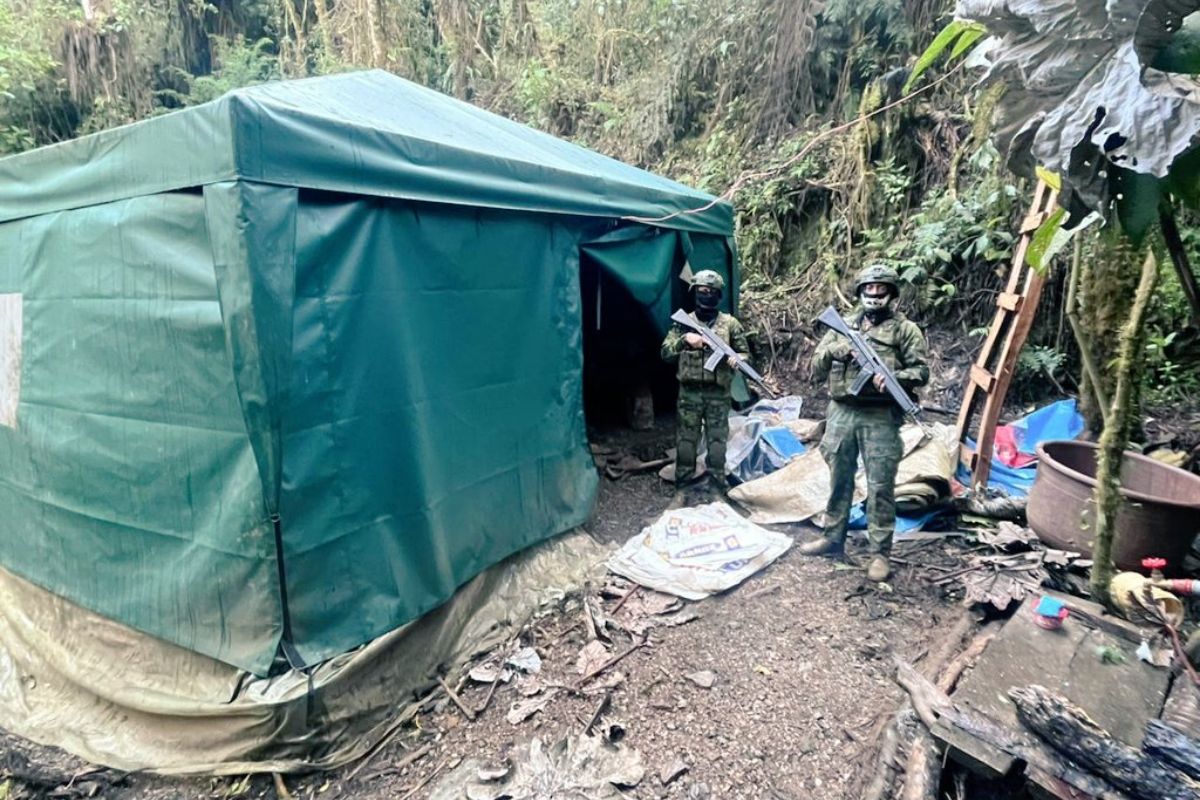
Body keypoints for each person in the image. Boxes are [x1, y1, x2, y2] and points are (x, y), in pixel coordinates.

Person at [801, 264, 929, 582]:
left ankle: (879, 553)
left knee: (881, 485)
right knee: (839, 478)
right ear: (860, 292)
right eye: (868, 289)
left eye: (880, 289)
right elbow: (815, 368)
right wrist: (839, 350)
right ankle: (833, 537)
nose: (874, 295)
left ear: (891, 294)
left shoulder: (905, 330)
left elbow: (921, 371)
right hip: (842, 412)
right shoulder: (842, 326)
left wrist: (894, 377)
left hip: (880, 417)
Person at [661, 270, 749, 500]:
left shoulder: (730, 324)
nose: (706, 295)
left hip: (718, 394)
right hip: (689, 394)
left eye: (711, 292)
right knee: (686, 441)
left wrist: (737, 360)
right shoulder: (683, 323)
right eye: (702, 291)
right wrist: (684, 340)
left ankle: (716, 487)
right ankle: (682, 488)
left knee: (717, 443)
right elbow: (665, 353)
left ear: (719, 295)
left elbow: (745, 353)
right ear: (694, 292)